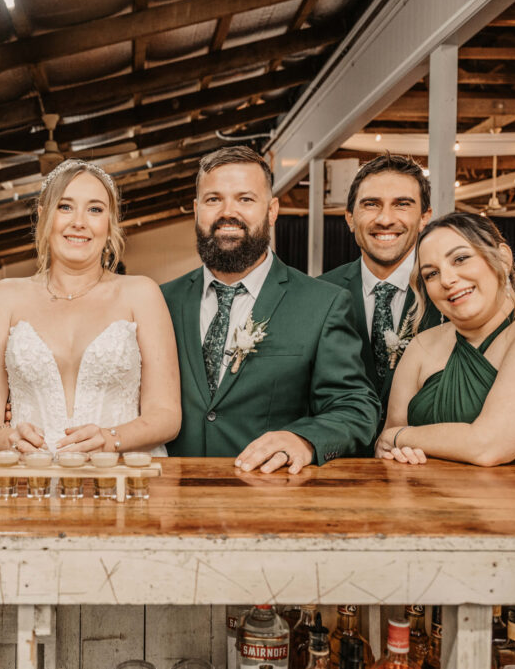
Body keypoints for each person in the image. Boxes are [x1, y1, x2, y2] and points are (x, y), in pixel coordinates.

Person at [161, 146, 380, 474]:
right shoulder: (161, 300)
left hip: (269, 498)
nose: (227, 212)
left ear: (272, 209)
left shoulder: (322, 304)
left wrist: (304, 440)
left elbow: (355, 407)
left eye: (245, 199)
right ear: (196, 210)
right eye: (213, 199)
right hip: (174, 500)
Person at [0, 159, 180, 455]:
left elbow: (166, 413)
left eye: (95, 209)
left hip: (122, 478)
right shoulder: (3, 297)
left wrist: (111, 439)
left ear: (109, 222)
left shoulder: (142, 294)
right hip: (29, 481)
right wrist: (8, 439)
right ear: (44, 216)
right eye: (65, 207)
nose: (79, 221)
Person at [376, 212, 515, 465]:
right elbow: (386, 447)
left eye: (460, 259)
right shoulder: (422, 345)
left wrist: (401, 436)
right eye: (431, 274)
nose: (447, 280)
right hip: (429, 499)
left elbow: (488, 445)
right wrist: (396, 444)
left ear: (502, 257)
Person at [319, 154, 443, 431]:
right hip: (336, 463)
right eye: (371, 204)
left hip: (426, 460)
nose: (385, 219)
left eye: (402, 205)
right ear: (350, 218)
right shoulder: (319, 293)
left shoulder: (450, 292)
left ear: (425, 218)